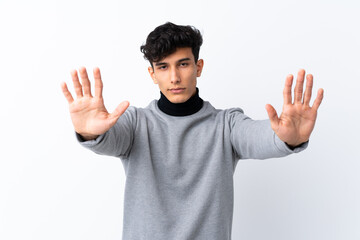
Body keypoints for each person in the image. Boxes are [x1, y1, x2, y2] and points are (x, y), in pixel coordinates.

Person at [61, 22, 324, 240]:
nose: (174, 77)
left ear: (198, 67)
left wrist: (289, 137)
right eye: (163, 67)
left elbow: (260, 138)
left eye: (183, 64)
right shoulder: (135, 123)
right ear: (152, 74)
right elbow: (111, 139)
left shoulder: (226, 125)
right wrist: (89, 134)